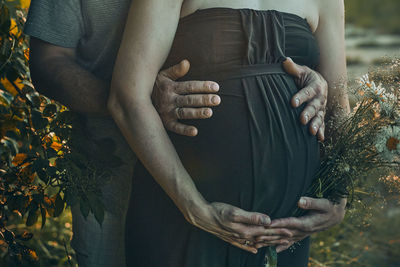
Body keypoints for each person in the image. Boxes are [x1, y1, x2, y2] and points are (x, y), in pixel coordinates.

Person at [23, 0, 344, 266]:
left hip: (279, 225)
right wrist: (143, 97)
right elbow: (50, 63)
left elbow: (336, 97)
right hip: (120, 163)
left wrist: (341, 193)